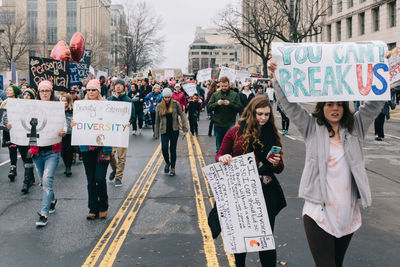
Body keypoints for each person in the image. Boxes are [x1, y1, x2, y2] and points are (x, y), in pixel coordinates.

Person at [269, 60, 385, 267]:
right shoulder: (312, 128)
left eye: (339, 104)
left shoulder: (355, 128)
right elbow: (289, 106)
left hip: (347, 213)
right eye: (329, 104)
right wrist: (276, 77)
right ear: (321, 107)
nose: (335, 108)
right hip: (318, 212)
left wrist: (382, 69)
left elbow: (375, 105)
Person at [216, 95, 286, 267]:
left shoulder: (272, 134)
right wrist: (223, 158)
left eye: (267, 115)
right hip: (242, 191)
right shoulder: (235, 132)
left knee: (265, 238)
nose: (263, 118)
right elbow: (219, 154)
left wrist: (276, 163)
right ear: (251, 112)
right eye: (260, 114)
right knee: (241, 239)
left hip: (265, 190)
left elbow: (280, 167)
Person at [27, 80, 65, 227]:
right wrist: (13, 126)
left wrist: (63, 131)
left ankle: (44, 213)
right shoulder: (31, 108)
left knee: (47, 180)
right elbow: (24, 124)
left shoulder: (57, 108)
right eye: (41, 91)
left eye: (47, 91)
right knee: (43, 182)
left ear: (51, 92)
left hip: (52, 151)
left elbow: (64, 125)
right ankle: (53, 200)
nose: (44, 93)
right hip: (37, 152)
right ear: (38, 93)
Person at [73, 79, 111, 219]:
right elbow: (77, 124)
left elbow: (113, 124)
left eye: (93, 90)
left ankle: (103, 206)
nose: (90, 92)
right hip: (87, 148)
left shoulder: (106, 106)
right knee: (90, 180)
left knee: (100, 178)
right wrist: (74, 124)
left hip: (103, 148)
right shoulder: (81, 106)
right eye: (88, 90)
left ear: (98, 91)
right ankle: (92, 207)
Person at [154, 88, 188, 176]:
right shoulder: (159, 106)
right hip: (164, 130)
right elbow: (157, 121)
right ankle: (167, 163)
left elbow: (182, 115)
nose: (167, 99)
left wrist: (185, 128)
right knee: (164, 148)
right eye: (165, 97)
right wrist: (156, 133)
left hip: (174, 130)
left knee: (173, 149)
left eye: (169, 97)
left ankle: (173, 168)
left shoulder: (176, 104)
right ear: (163, 97)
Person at [107, 78, 135, 186]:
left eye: (120, 85)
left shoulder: (128, 100)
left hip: (122, 131)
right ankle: (115, 169)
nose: (118, 86)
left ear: (123, 87)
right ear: (113, 87)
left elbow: (132, 116)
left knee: (121, 156)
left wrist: (129, 122)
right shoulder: (109, 100)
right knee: (110, 153)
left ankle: (119, 177)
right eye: (116, 85)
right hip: (111, 131)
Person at [206, 76, 242, 153]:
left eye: (225, 86)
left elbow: (239, 107)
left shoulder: (234, 94)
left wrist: (229, 104)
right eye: (222, 86)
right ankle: (219, 161)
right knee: (219, 148)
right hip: (218, 124)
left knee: (230, 146)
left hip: (230, 123)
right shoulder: (215, 95)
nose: (224, 88)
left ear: (229, 85)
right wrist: (217, 103)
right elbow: (208, 107)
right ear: (219, 85)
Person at [60, 94, 74, 176]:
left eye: (65, 100)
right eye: (63, 100)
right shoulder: (58, 110)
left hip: (70, 133)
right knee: (63, 151)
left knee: (69, 150)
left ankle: (68, 167)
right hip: (62, 132)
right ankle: (66, 165)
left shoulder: (72, 110)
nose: (64, 102)